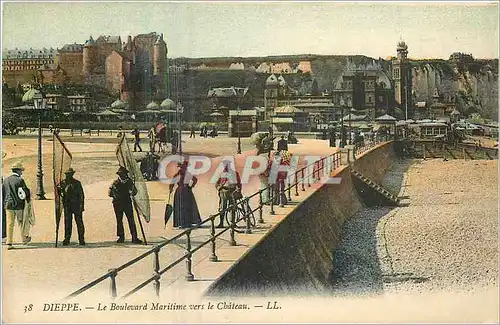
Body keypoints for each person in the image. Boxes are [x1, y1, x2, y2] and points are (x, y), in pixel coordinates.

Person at [108, 166, 143, 244]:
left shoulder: (129, 182)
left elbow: (135, 192)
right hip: (118, 204)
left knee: (131, 220)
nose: (123, 175)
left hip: (127, 203)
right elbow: (109, 194)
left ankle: (134, 237)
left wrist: (132, 190)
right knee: (119, 220)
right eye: (122, 174)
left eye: (124, 174)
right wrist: (115, 194)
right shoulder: (115, 183)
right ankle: (121, 237)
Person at [2, 162, 32, 250]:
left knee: (9, 224)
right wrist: (28, 199)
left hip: (8, 205)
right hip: (19, 205)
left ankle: (9, 242)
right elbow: (25, 192)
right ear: (18, 171)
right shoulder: (20, 180)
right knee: (21, 222)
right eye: (21, 171)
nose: (21, 172)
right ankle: (24, 239)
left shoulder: (6, 180)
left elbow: (3, 193)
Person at [57, 168, 85, 246]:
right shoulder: (63, 183)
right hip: (67, 206)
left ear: (72, 174)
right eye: (67, 174)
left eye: (70, 174)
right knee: (67, 223)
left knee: (79, 223)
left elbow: (81, 195)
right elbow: (59, 194)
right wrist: (59, 189)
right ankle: (67, 238)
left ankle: (81, 239)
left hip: (76, 205)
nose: (68, 176)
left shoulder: (77, 183)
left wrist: (81, 206)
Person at [169, 161, 202, 228]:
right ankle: (186, 222)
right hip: (186, 191)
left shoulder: (178, 174)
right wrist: (191, 186)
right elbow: (195, 180)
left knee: (183, 207)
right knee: (186, 207)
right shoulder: (186, 174)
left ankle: (182, 223)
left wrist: (171, 189)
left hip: (180, 191)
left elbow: (172, 183)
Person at [215, 161, 242, 228]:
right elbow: (216, 184)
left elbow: (239, 184)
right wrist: (219, 188)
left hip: (232, 192)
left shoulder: (235, 173)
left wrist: (238, 191)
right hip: (223, 193)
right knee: (222, 208)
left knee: (232, 208)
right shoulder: (221, 174)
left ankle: (232, 223)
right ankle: (221, 223)